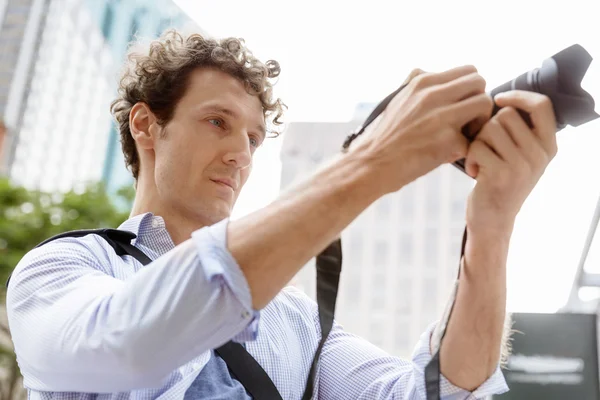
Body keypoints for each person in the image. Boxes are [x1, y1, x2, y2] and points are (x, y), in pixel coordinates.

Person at [6, 30, 558, 399]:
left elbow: (435, 392)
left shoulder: (294, 321)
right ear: (146, 125)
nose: (241, 153)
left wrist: (493, 224)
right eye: (218, 122)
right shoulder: (62, 270)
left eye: (252, 136)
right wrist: (373, 161)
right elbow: (127, 344)